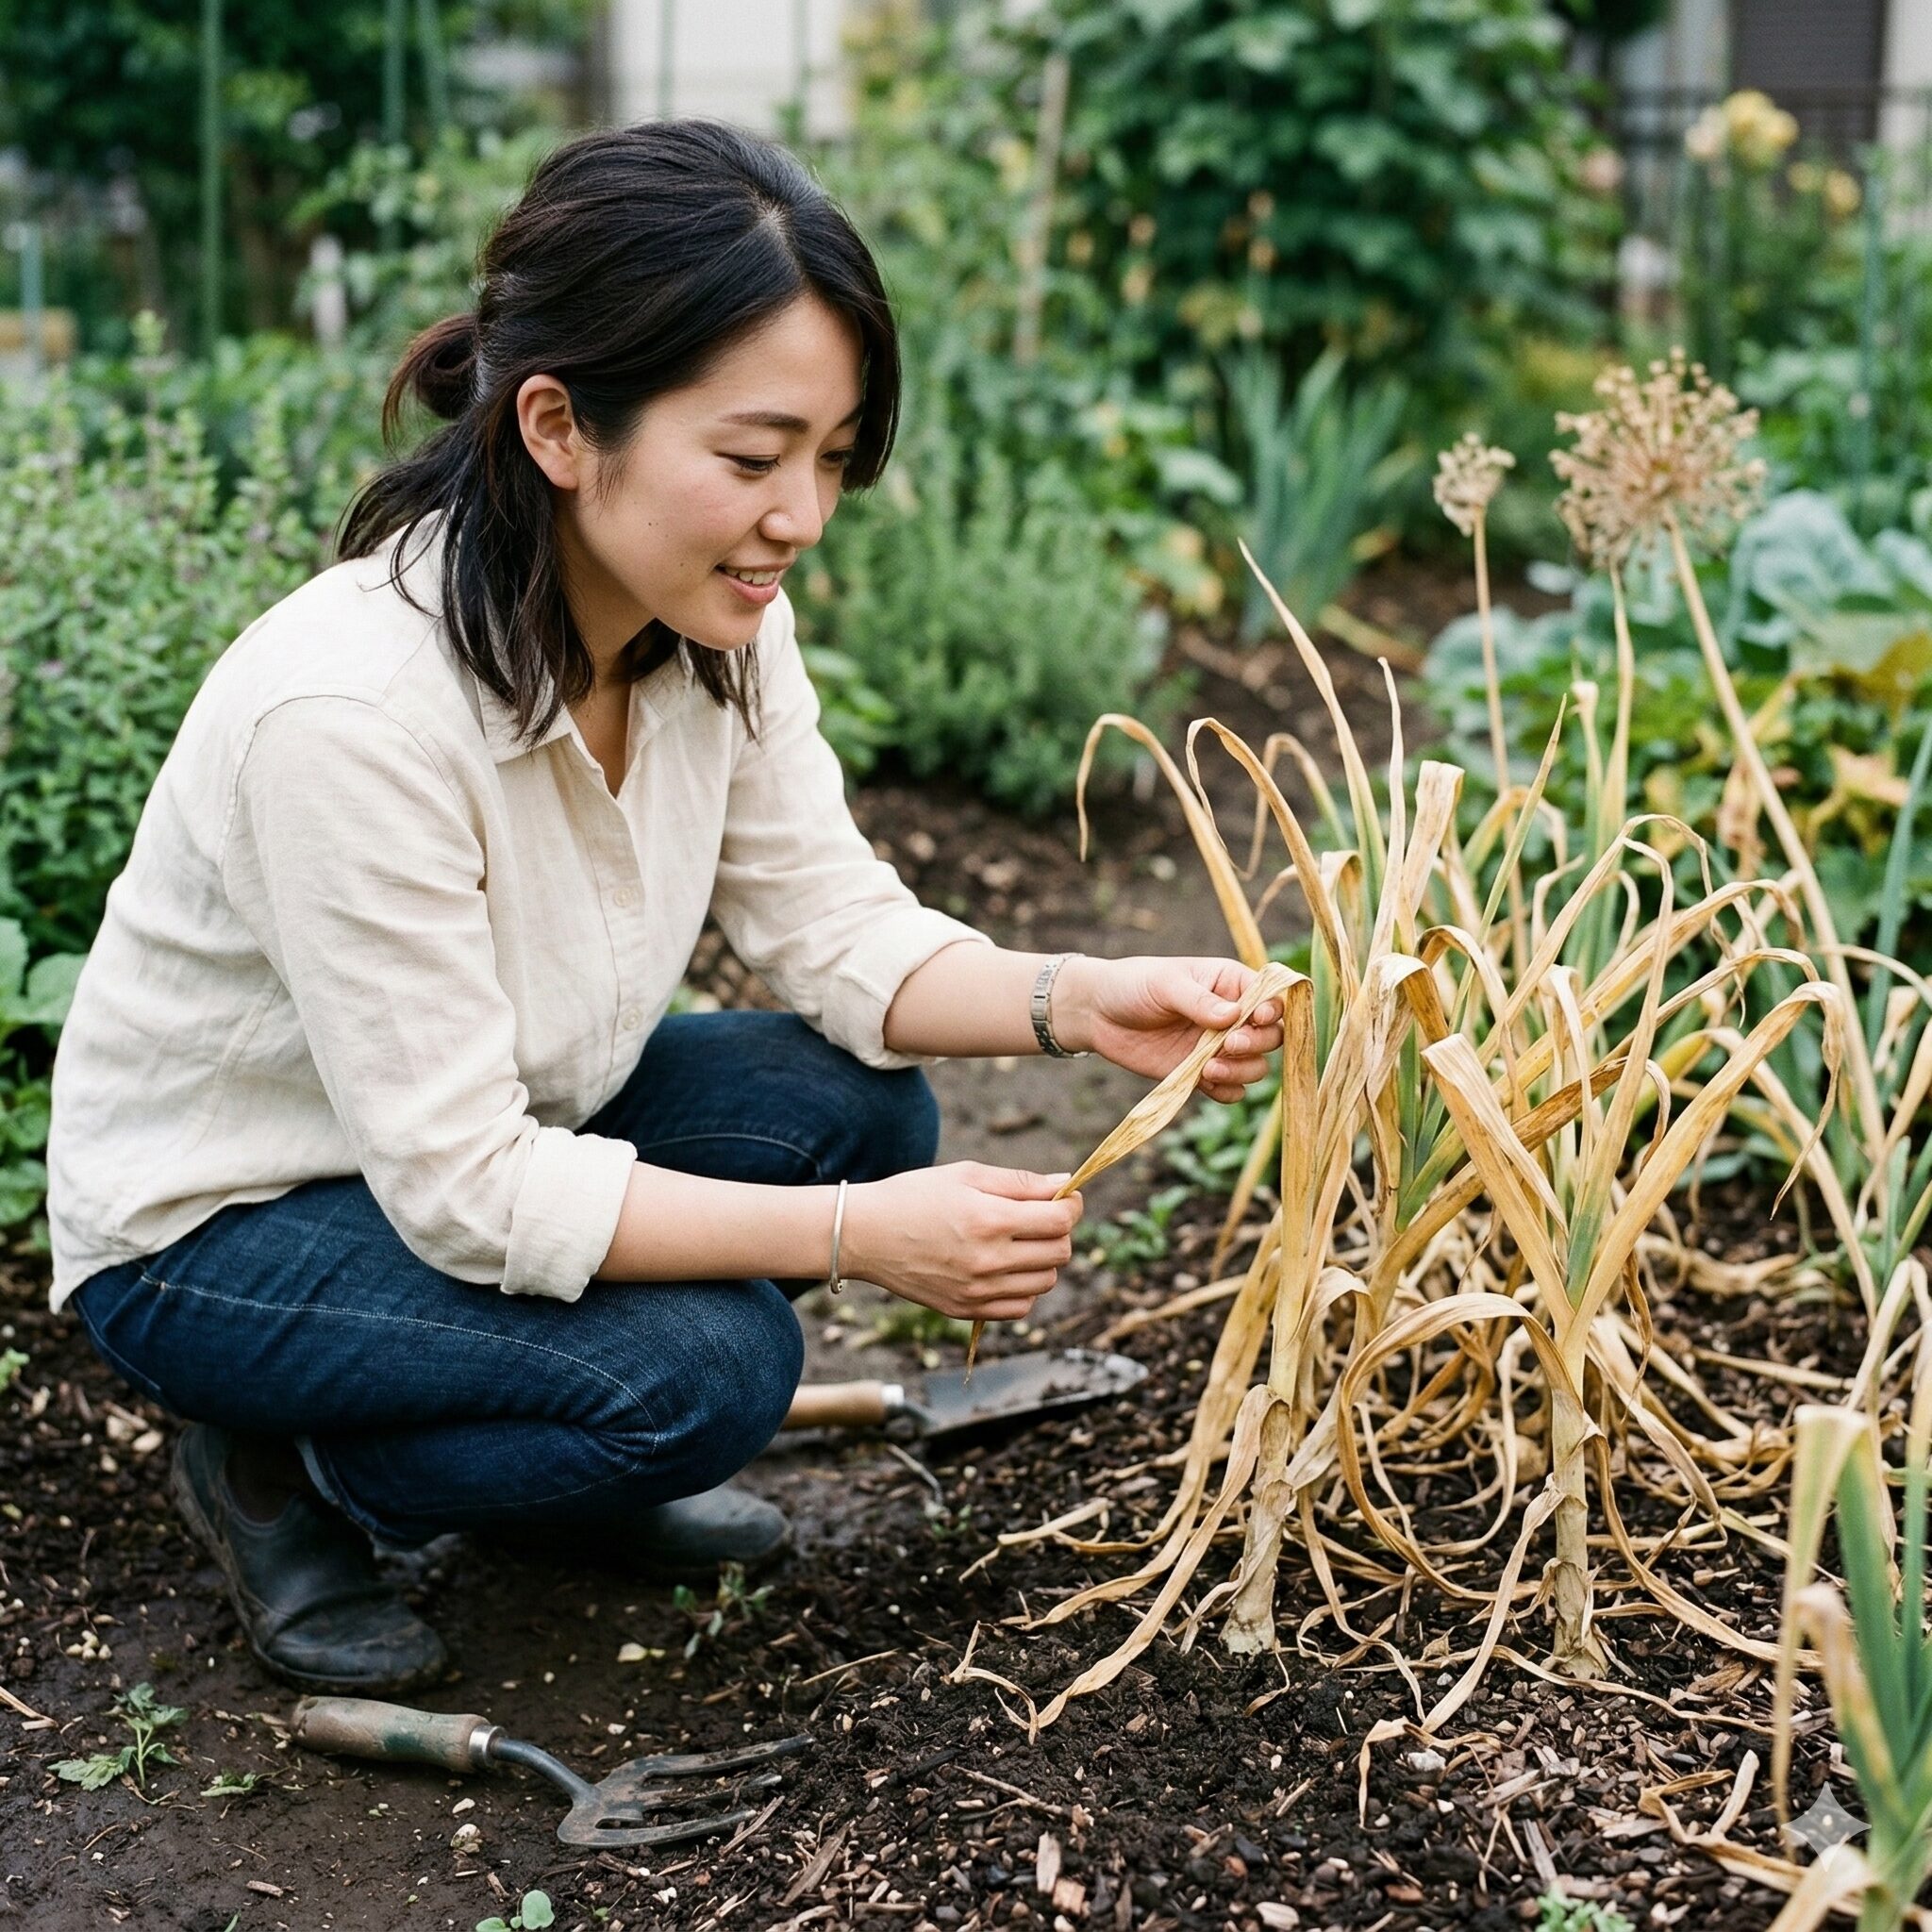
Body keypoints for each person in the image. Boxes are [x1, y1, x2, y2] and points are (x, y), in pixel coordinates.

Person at [46, 121, 1283, 1696]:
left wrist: (1078, 994)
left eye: (831, 461)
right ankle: (287, 1469)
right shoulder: (348, 716)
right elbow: (470, 1190)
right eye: (755, 458)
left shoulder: (712, 627)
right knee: (716, 1372)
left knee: (852, 1106)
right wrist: (855, 1244)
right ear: (561, 426)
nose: (803, 517)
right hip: (226, 1227)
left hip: (471, 1141)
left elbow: (830, 926)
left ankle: (551, 1465)